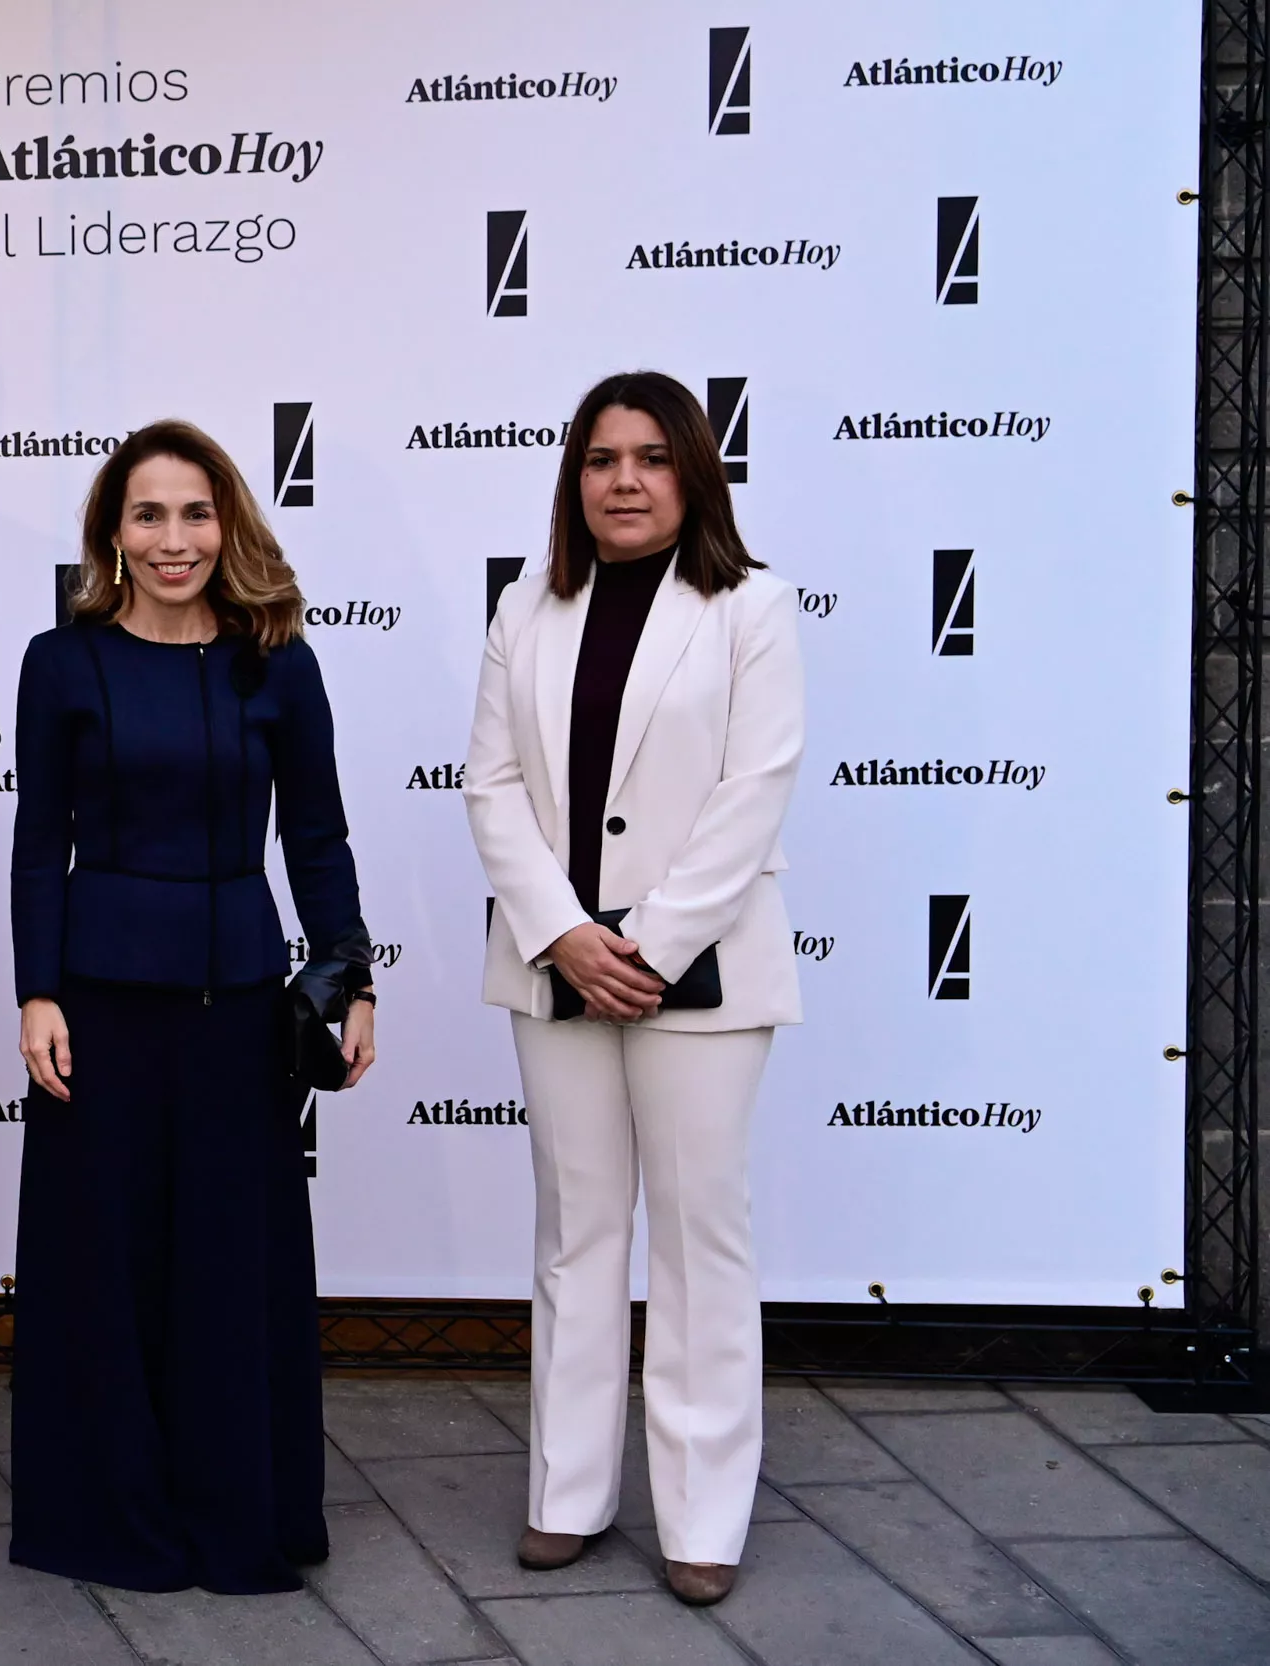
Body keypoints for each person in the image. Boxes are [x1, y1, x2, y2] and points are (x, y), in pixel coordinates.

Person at [6, 419, 376, 1594]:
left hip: (236, 1009)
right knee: (102, 1266)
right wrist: (36, 992)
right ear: (112, 532)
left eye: (196, 513)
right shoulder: (61, 661)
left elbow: (316, 835)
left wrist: (348, 971)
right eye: (149, 515)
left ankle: (235, 1508)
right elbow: (33, 844)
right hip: (100, 1009)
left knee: (229, 1261)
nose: (174, 540)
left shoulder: (281, 662)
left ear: (231, 525)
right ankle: (109, 1511)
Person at [463, 370, 803, 1607]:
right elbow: (490, 787)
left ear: (692, 474)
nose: (623, 479)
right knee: (575, 1232)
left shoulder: (750, 608)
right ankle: (567, 1491)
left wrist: (643, 943)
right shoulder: (527, 606)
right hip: (557, 967)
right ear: (574, 478)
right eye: (601, 458)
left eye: (651, 457)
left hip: (700, 976)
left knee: (699, 1237)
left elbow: (752, 790)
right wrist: (564, 934)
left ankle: (704, 1513)